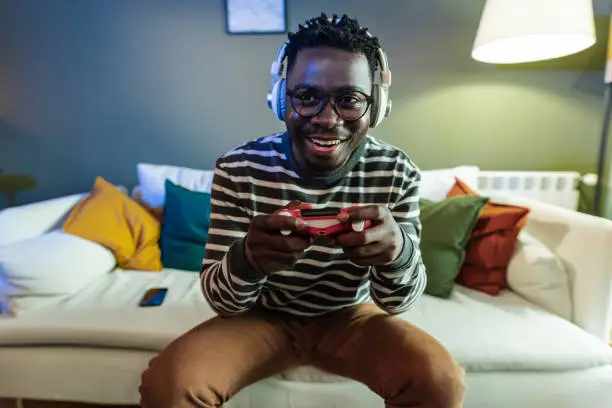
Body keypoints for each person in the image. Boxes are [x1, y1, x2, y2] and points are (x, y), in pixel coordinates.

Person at [139, 13, 465, 408]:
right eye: (307, 97)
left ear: (376, 106)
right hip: (262, 316)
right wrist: (247, 260)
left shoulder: (396, 172)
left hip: (352, 315)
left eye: (349, 100)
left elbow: (399, 302)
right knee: (169, 385)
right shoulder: (239, 168)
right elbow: (223, 303)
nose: (327, 121)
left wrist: (397, 252)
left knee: (439, 380)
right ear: (280, 99)